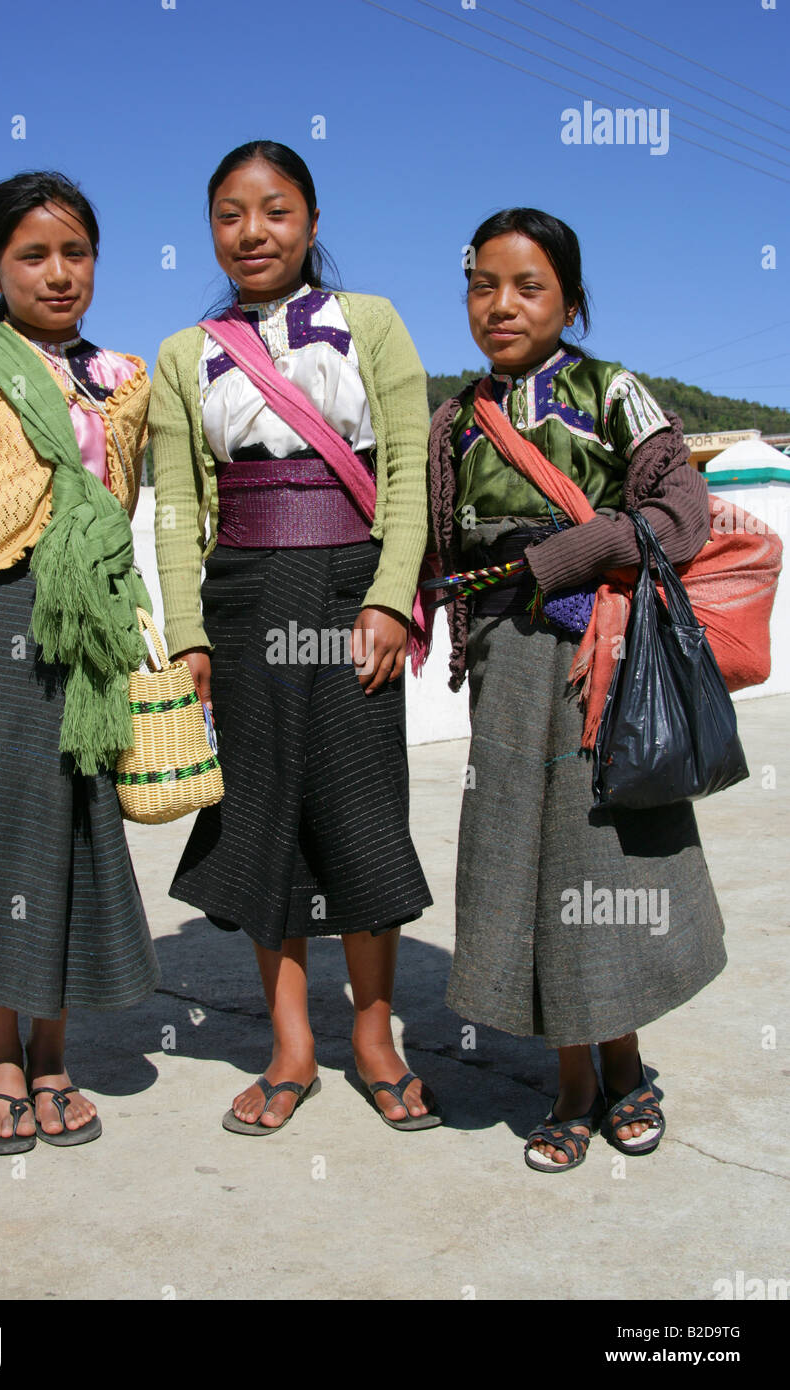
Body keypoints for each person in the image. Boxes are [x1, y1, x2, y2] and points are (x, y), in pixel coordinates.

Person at [150, 141, 439, 1133]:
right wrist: (188, 630)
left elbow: (406, 474)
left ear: (312, 222)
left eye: (274, 211)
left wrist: (391, 599)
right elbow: (180, 503)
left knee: (360, 811)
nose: (252, 232)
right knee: (263, 813)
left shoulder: (373, 325)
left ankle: (373, 1035)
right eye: (229, 214)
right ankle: (291, 1046)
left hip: (351, 586)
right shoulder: (186, 354)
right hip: (241, 600)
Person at [429, 207, 725, 1171]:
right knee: (524, 866)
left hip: (603, 658)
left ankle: (627, 1067)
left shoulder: (613, 393)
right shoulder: (453, 423)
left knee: (606, 863)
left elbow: (680, 516)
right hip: (505, 676)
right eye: (483, 285)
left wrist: (570, 553)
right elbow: (434, 554)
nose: (501, 305)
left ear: (571, 300)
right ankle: (569, 1082)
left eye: (529, 286)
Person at [0, 171, 159, 1154]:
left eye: (75, 253)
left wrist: (84, 581)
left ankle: (57, 1050)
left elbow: (125, 496)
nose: (58, 274)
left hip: (84, 622)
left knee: (76, 822)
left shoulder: (120, 378)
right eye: (32, 256)